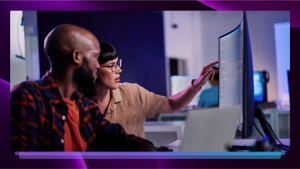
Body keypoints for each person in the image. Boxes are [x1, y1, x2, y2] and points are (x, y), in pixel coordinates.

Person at [10, 24, 166, 152]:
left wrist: (151, 150)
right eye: (96, 57)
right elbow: (23, 159)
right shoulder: (28, 97)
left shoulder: (86, 108)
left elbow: (118, 139)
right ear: (77, 57)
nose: (98, 66)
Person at [78, 41, 220, 138]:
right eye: (111, 66)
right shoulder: (73, 105)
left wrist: (196, 85)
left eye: (118, 63)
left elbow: (171, 105)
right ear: (92, 70)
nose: (119, 70)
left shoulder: (133, 93)